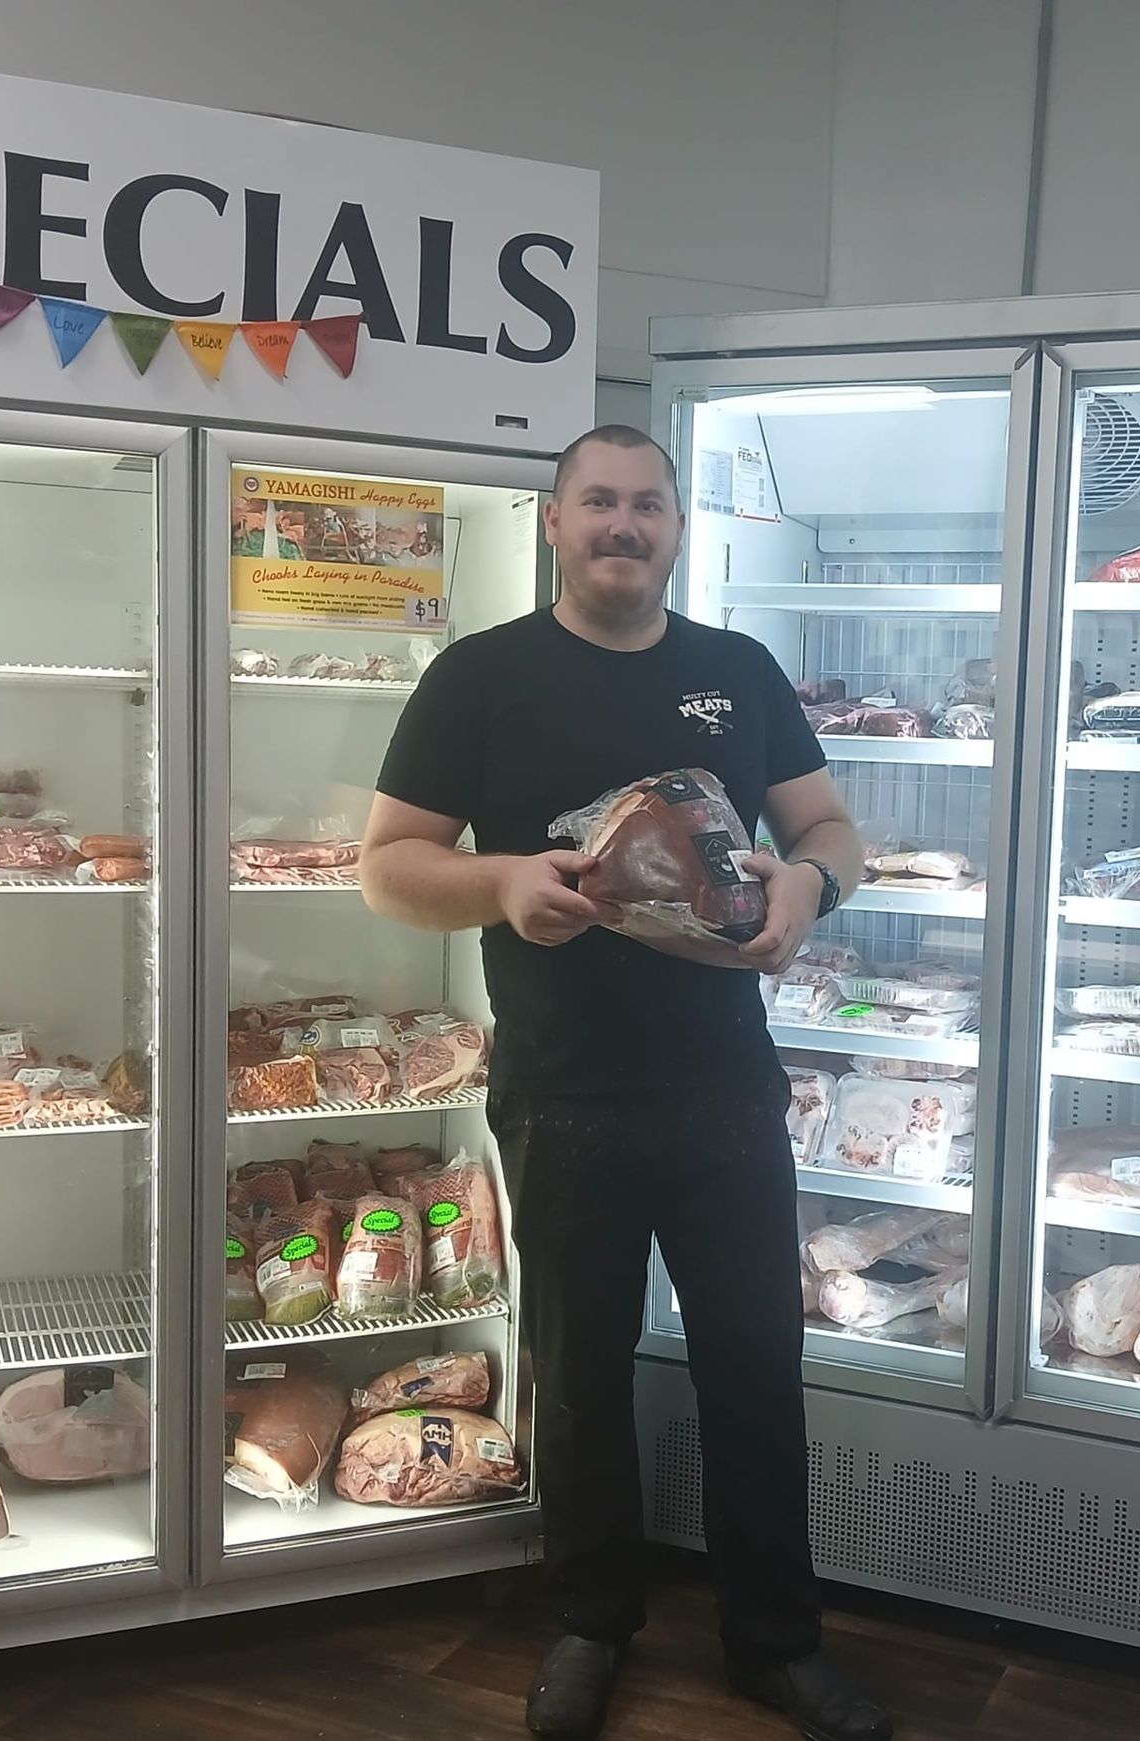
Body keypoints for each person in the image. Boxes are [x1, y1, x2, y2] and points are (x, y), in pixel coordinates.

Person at [361, 426, 888, 1741]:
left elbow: (831, 827)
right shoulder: (481, 677)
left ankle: (775, 1641)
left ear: (672, 527)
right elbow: (388, 864)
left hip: (725, 1088)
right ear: (554, 521)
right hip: (562, 1091)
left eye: (646, 504)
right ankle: (593, 1622)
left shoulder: (735, 670)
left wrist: (808, 884)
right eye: (598, 501)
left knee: (756, 1369)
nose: (623, 524)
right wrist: (501, 883)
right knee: (579, 1374)